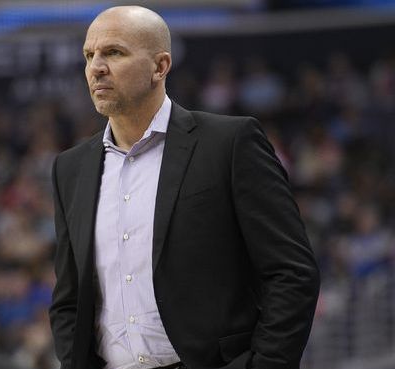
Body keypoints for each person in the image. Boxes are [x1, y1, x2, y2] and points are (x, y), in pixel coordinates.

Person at [49, 6, 320, 369]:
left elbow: (292, 272)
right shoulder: (69, 169)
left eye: (114, 52)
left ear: (160, 67)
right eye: (89, 55)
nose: (96, 67)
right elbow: (69, 299)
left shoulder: (229, 143)